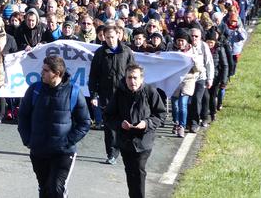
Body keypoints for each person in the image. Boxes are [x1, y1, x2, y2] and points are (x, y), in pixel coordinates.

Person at [17, 55, 91, 198]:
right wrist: (28, 140)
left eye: (45, 70)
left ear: (56, 74)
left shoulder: (73, 92)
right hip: (39, 149)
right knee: (44, 188)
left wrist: (67, 142)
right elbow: (23, 117)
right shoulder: (34, 90)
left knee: (56, 188)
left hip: (63, 152)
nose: (41, 73)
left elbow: (85, 122)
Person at [104, 63, 166, 198]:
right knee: (130, 172)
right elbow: (108, 116)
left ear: (142, 79)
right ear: (125, 79)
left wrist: (146, 123)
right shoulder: (119, 93)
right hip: (125, 141)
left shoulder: (150, 92)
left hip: (143, 142)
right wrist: (120, 124)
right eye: (129, 78)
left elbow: (160, 115)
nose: (132, 81)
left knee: (138, 171)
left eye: (135, 78)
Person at [89, 24, 135, 165]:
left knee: (125, 125)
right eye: (107, 37)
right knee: (109, 127)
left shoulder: (126, 52)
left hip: (123, 94)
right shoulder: (100, 53)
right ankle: (111, 153)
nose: (110, 40)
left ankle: (126, 149)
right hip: (106, 94)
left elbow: (133, 73)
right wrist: (94, 95)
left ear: (118, 36)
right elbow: (93, 76)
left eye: (112, 37)